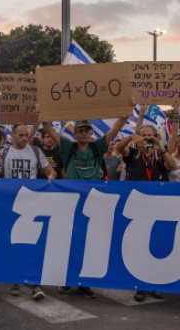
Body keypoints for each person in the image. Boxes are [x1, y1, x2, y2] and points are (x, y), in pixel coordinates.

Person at [40, 110, 128, 298]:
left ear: (90, 132)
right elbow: (47, 126)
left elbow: (117, 127)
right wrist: (42, 110)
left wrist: (126, 112)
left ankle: (85, 283)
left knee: (90, 244)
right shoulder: (67, 147)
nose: (83, 133)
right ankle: (66, 281)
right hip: (71, 204)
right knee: (69, 244)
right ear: (75, 133)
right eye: (80, 130)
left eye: (86, 130)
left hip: (93, 205)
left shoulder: (97, 147)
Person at [0, 123, 55, 300]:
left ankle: (34, 284)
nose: (25, 138)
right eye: (21, 135)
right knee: (13, 243)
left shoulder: (35, 151)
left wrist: (50, 175)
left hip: (31, 204)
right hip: (10, 205)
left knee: (31, 244)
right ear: (12, 135)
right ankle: (15, 280)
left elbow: (50, 169)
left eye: (26, 135)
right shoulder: (3, 153)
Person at [119, 119, 177, 301]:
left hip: (158, 206)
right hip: (137, 206)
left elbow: (173, 166)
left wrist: (162, 149)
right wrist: (131, 136)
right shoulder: (134, 153)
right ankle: (140, 286)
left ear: (156, 137)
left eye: (149, 135)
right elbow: (120, 149)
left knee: (157, 245)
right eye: (143, 135)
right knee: (139, 246)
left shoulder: (160, 154)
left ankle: (154, 283)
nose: (146, 138)